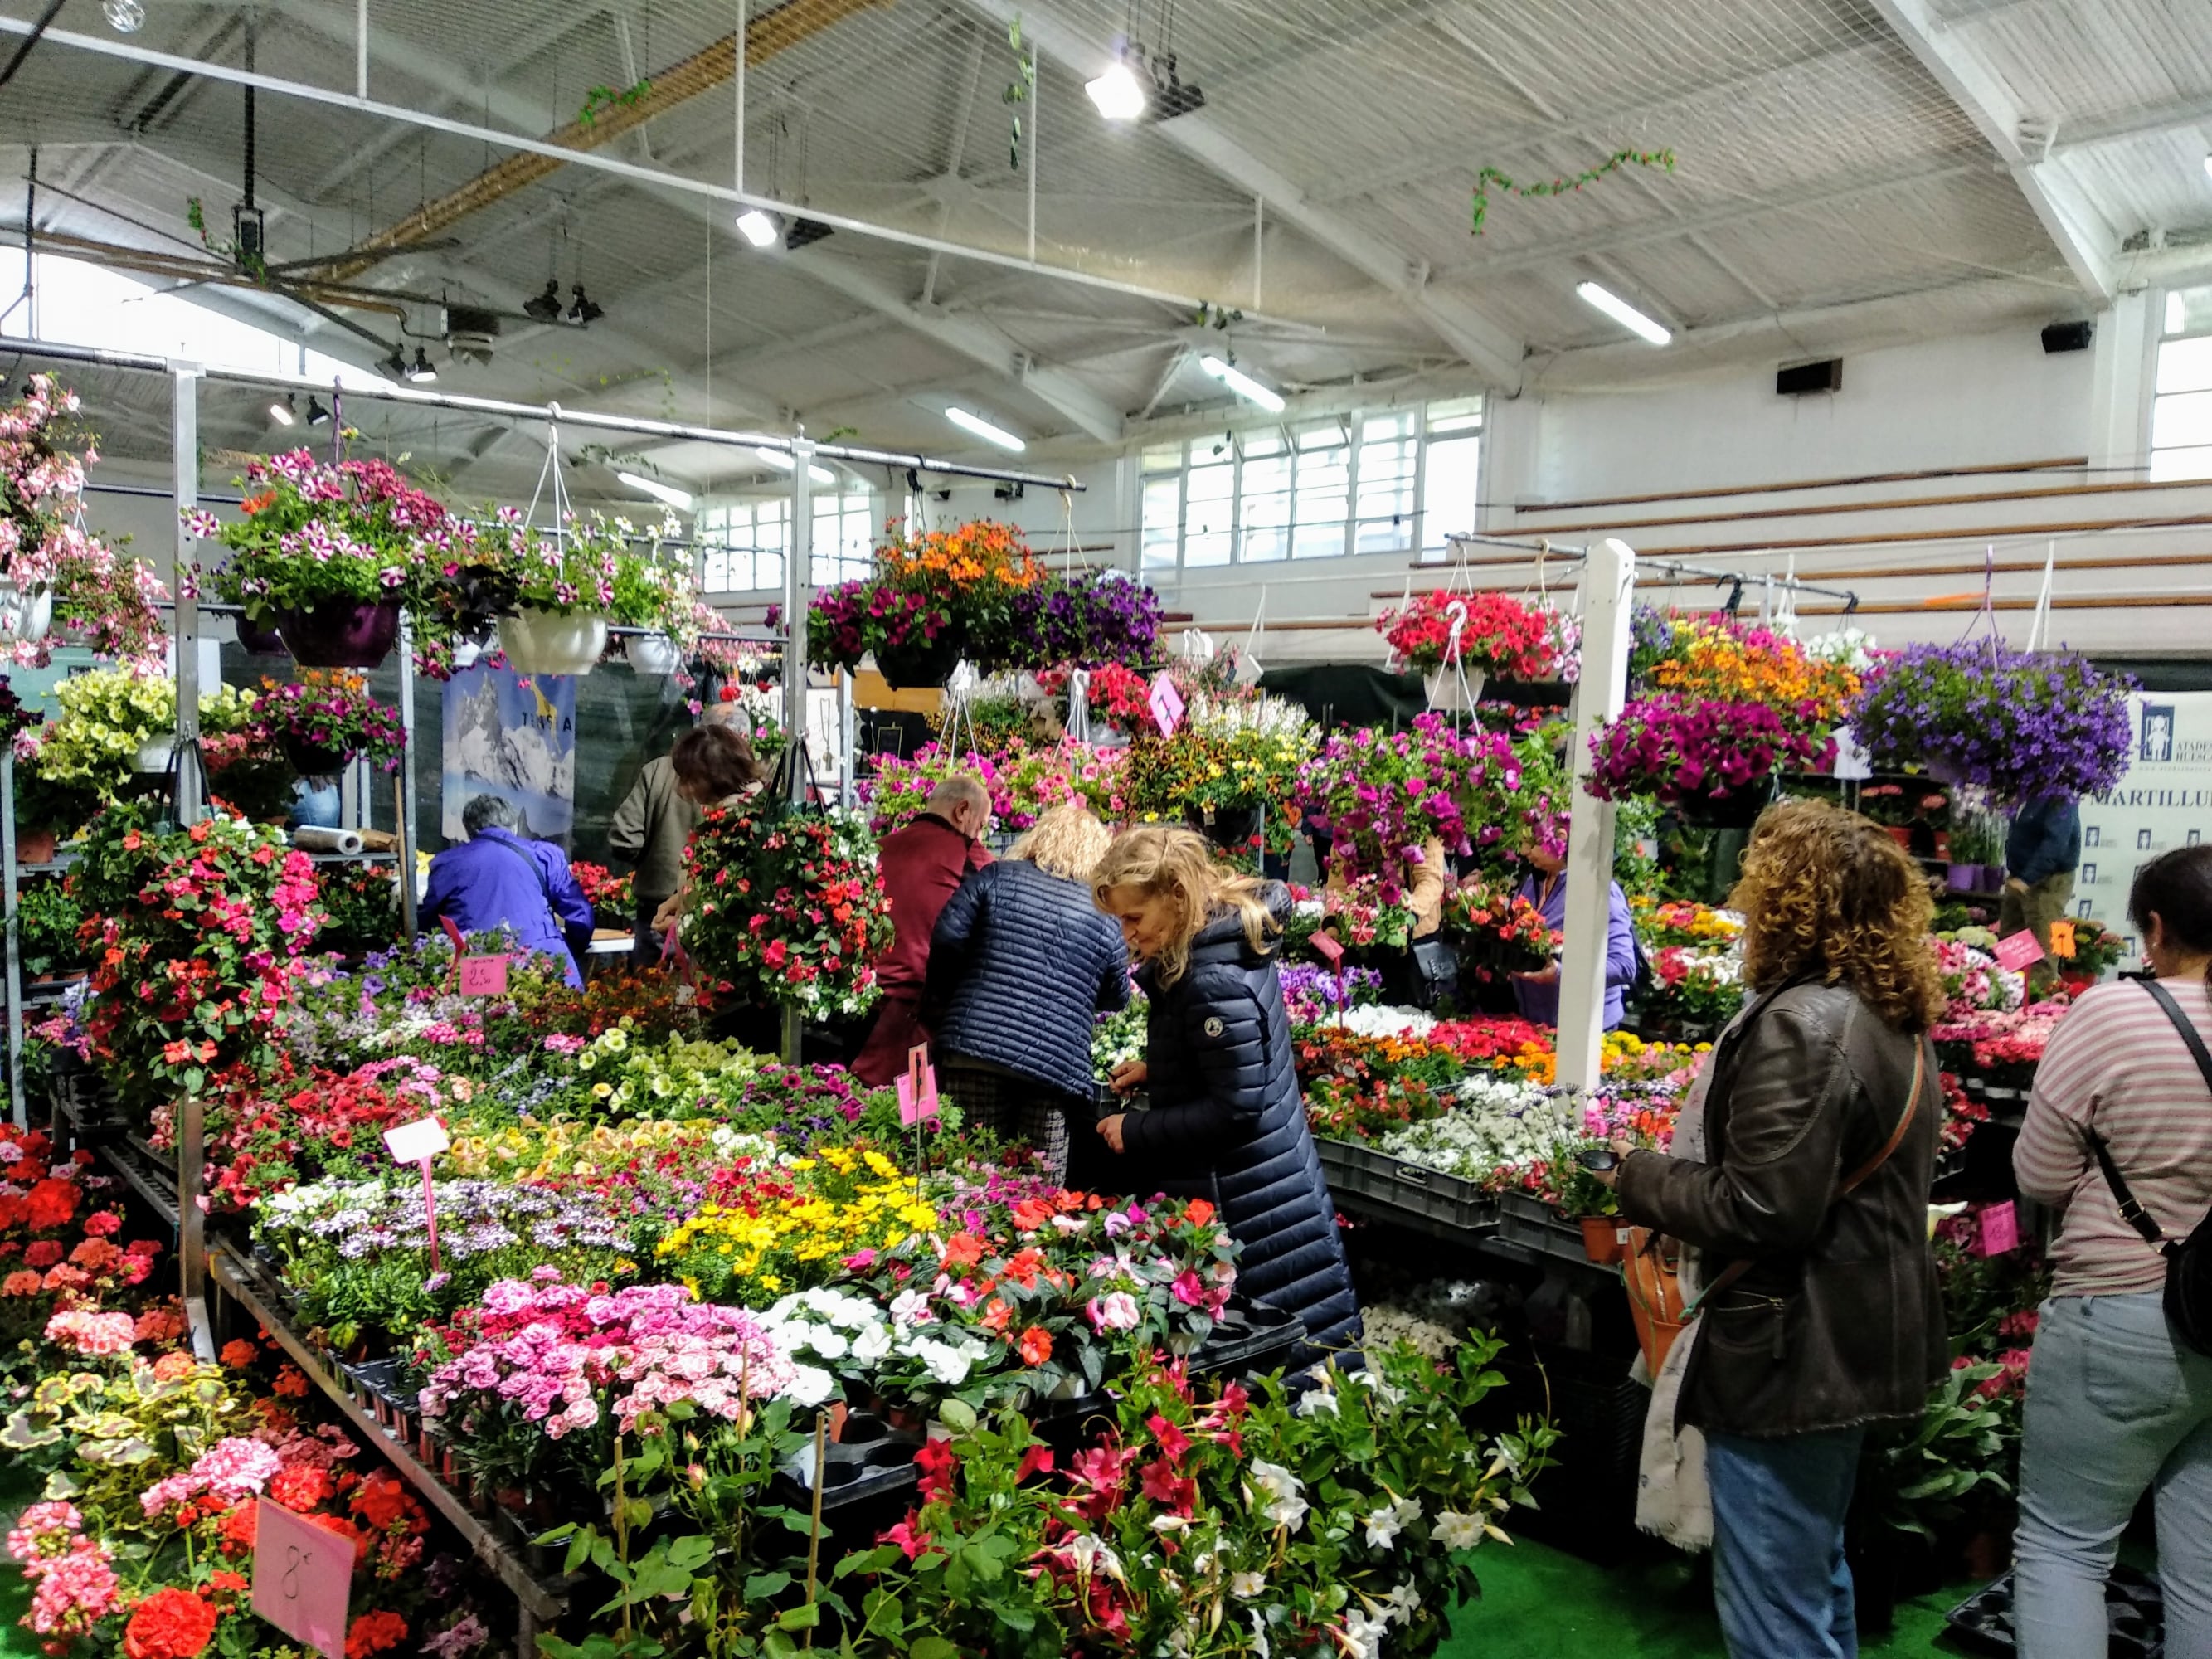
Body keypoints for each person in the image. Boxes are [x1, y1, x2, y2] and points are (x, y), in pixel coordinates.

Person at [1597, 799, 1946, 1658]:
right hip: (1855, 1331)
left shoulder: (1802, 1022)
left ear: (1793, 897)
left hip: (1796, 1348)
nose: (1746, 897)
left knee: (1772, 1607)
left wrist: (1638, 1178)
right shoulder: (1880, 1009)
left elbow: (1764, 1206)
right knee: (1812, 1572)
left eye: (1758, 879)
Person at [2010, 844, 2212, 1657]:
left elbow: (2039, 1173)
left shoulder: (2112, 1013)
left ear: (2156, 929)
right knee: (2202, 1563)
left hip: (2121, 1311)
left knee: (2065, 1544)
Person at [1091, 825, 1361, 1367]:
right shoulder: (1217, 946)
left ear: (1174, 897)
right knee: (1305, 1360)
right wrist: (1160, 1067)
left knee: (1286, 1368)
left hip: (1249, 1200)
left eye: (1133, 918)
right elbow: (1241, 1062)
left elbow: (1236, 1107)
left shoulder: (1210, 978)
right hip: (1264, 1185)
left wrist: (1136, 1129)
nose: (1126, 934)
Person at [921, 804, 1129, 1182]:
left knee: (966, 1173)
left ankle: (963, 1240)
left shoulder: (996, 877)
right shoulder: (1103, 913)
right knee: (1039, 1183)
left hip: (977, 1049)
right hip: (1055, 1066)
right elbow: (1117, 995)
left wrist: (959, 994)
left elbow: (948, 937)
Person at [851, 776, 994, 1087]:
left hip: (859, 1004)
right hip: (918, 1015)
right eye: (981, 825)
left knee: (854, 1114)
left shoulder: (878, 847)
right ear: (962, 811)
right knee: (915, 1119)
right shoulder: (970, 855)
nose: (980, 836)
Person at [609, 701, 748, 962]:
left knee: (651, 992)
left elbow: (625, 839)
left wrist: (654, 863)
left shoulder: (658, 770)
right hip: (695, 915)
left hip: (663, 909)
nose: (687, 789)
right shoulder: (748, 792)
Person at [422, 795, 596, 987]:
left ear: (470, 829)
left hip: (480, 966)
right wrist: (570, 948)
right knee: (557, 1014)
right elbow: (580, 914)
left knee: (485, 1015)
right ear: (514, 825)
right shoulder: (545, 856)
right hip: (542, 959)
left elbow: (430, 922)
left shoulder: (448, 863)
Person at [646, 725, 772, 941]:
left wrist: (679, 928)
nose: (683, 789)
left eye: (689, 779)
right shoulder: (739, 811)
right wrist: (680, 899)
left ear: (711, 776)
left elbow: (729, 919)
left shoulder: (739, 827)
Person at [1506, 840, 1638, 1029]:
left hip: (1585, 1034)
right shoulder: (1533, 883)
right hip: (1536, 1024)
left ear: (1558, 839)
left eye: (1534, 843)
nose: (1525, 851)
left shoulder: (1600, 890)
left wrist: (1561, 974)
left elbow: (1623, 966)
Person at [2002, 793, 2081, 991]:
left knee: (2042, 952)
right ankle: (2013, 1000)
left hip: (2048, 879)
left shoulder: (2061, 795)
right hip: (2019, 874)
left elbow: (2055, 844)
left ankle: (2039, 1009)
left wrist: (2027, 878)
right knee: (2012, 944)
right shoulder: (2022, 790)